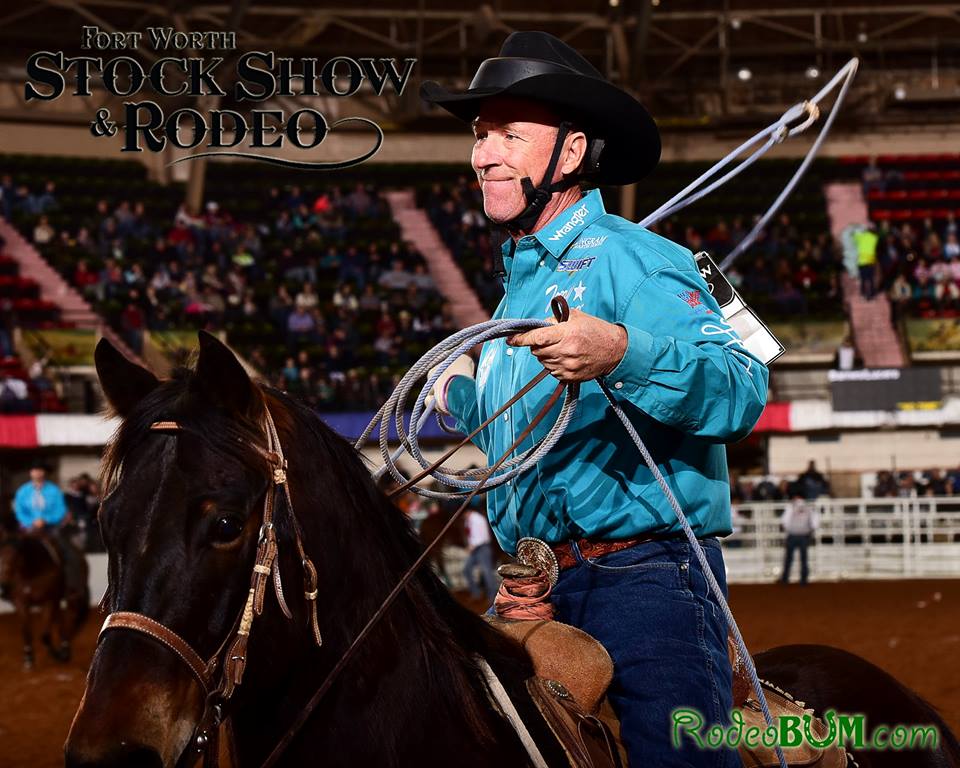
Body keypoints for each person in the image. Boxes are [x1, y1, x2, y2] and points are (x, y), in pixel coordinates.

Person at [422, 31, 767, 767]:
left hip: (646, 579)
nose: (484, 153)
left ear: (571, 153)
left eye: (510, 134)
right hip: (531, 583)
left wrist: (622, 350)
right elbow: (520, 435)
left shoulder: (638, 261)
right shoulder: (515, 290)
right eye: (482, 134)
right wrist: (458, 388)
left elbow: (742, 389)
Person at [13, 462, 86, 596]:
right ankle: (8, 586)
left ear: (44, 473)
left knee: (68, 551)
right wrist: (32, 521)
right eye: (34, 470)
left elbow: (61, 510)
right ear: (31, 473)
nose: (37, 473)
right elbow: (19, 510)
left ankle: (72, 584)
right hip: (28, 528)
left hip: (50, 528)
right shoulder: (23, 491)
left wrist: (46, 519)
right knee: (11, 552)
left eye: (40, 470)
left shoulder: (54, 490)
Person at [779, 493, 819, 585]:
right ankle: (804, 579)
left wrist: (787, 529)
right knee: (804, 558)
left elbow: (784, 520)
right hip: (804, 535)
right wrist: (810, 530)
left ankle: (785, 579)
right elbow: (815, 521)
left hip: (792, 535)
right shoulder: (808, 507)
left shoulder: (791, 507)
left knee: (789, 558)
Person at [462, 506, 499, 602]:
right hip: (475, 549)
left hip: (483, 548)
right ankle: (476, 592)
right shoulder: (468, 520)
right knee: (466, 569)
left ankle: (493, 595)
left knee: (487, 572)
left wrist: (472, 546)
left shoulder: (478, 519)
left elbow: (484, 536)